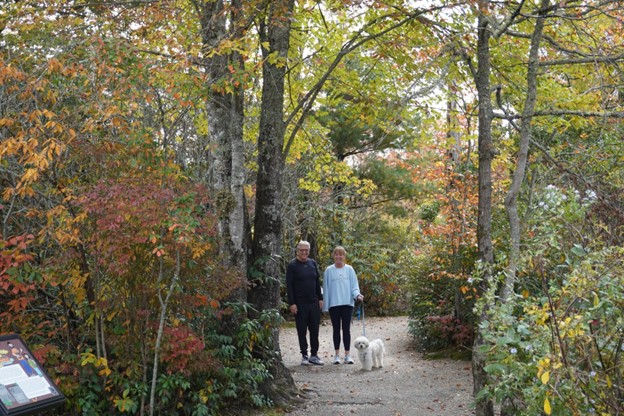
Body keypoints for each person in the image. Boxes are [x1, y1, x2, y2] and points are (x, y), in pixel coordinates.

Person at [322, 246, 363, 364]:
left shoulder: (350, 269)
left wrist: (357, 295)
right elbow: (326, 288)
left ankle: (347, 355)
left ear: (344, 256)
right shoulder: (328, 270)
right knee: (336, 329)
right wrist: (326, 305)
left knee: (346, 330)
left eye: (341, 254)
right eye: (336, 254)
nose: (339, 257)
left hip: (347, 304)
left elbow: (354, 287)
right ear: (333, 256)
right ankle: (336, 355)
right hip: (334, 304)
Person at [286, 240, 324, 366]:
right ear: (298, 250)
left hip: (313, 303)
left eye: (306, 250)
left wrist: (320, 298)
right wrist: (292, 303)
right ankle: (304, 355)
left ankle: (314, 355)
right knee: (301, 330)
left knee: (314, 330)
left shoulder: (313, 263)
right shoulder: (292, 265)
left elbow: (317, 282)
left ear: (309, 250)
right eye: (301, 250)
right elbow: (289, 286)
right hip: (299, 304)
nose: (304, 252)